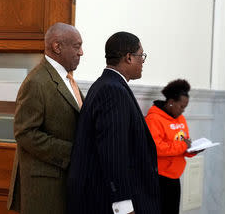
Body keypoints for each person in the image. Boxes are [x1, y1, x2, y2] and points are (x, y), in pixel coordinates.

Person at [67, 31, 160, 214]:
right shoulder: (112, 90)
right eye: (141, 56)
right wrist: (123, 205)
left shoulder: (106, 84)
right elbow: (113, 152)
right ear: (128, 58)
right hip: (108, 201)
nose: (143, 61)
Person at [7, 22, 84, 214]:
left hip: (64, 182)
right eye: (77, 46)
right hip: (45, 188)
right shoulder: (37, 81)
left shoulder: (67, 79)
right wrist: (73, 153)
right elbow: (25, 133)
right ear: (57, 47)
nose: (81, 52)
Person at [145, 79, 199, 214]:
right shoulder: (154, 119)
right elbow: (156, 147)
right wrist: (182, 146)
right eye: (181, 106)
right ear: (171, 102)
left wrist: (192, 150)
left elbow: (184, 144)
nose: (183, 111)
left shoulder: (180, 119)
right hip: (159, 177)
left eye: (185, 107)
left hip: (175, 177)